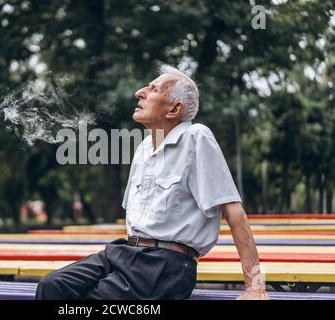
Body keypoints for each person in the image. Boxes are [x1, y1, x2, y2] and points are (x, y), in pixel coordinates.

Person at [35, 65, 269, 300]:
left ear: (174, 109)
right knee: (52, 286)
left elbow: (234, 213)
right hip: (125, 252)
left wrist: (255, 286)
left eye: (153, 89)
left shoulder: (196, 137)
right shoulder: (144, 147)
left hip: (165, 266)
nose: (139, 92)